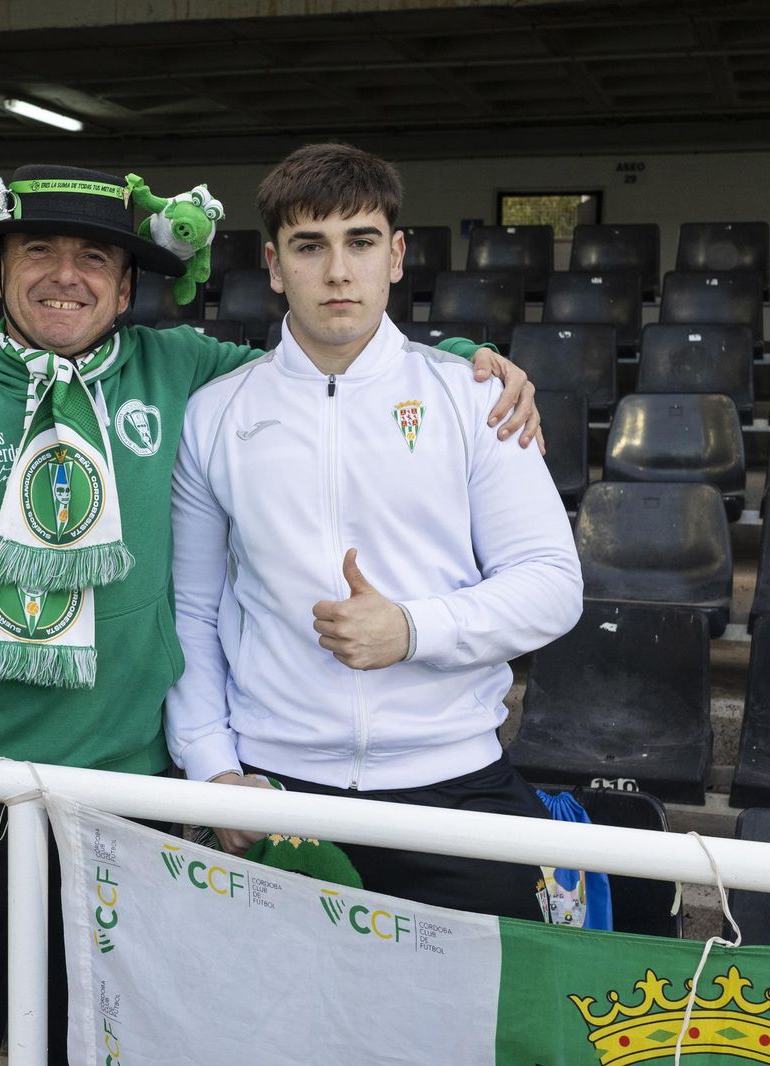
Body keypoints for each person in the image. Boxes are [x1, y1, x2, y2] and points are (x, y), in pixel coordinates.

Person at [0, 163, 543, 1064]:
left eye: (94, 257)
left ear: (128, 284)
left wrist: (457, 365)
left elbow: (327, 367)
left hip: (143, 808)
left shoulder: (183, 376)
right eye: (40, 252)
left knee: (134, 1043)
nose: (68, 275)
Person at [165, 143, 583, 921]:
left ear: (395, 256)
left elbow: (553, 586)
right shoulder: (216, 413)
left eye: (359, 242)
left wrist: (412, 628)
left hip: (454, 784)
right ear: (273, 262)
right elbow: (190, 613)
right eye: (308, 245)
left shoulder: (475, 397)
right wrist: (214, 769)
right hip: (276, 792)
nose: (336, 271)